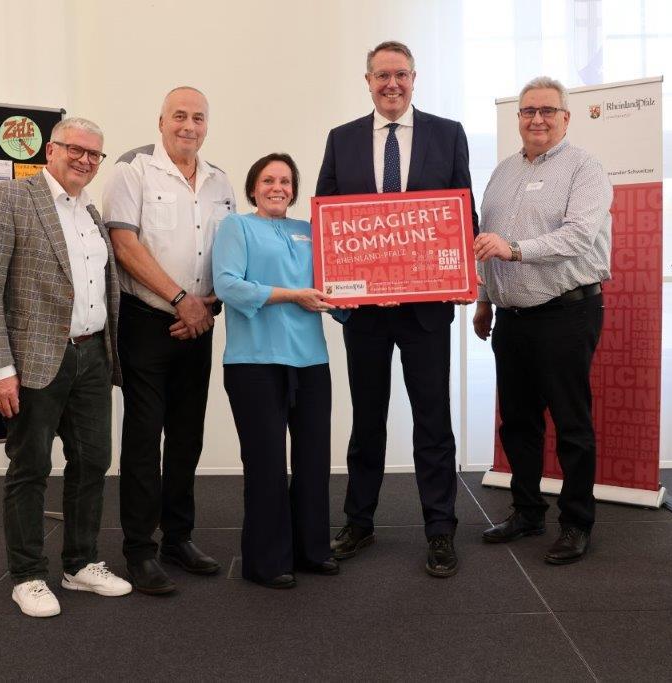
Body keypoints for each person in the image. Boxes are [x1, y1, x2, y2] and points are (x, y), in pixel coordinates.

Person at [316, 40, 479, 577]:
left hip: (427, 310)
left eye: (401, 75)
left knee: (433, 420)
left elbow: (463, 213)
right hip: (365, 311)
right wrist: (338, 290)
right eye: (382, 75)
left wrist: (462, 277)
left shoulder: (447, 133)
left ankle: (439, 529)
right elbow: (328, 220)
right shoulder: (341, 140)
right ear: (367, 80)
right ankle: (359, 522)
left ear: (415, 79)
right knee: (367, 418)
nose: (392, 84)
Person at [0, 116, 131, 618]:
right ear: (51, 150)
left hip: (91, 357)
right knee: (31, 467)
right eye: (75, 149)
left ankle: (80, 563)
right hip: (34, 360)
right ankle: (28, 575)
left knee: (92, 463)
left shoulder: (91, 213)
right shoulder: (9, 199)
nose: (85, 159)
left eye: (94, 154)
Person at [102, 87, 236, 594]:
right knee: (143, 438)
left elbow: (229, 256)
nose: (189, 125)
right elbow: (124, 244)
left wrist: (207, 307)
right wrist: (182, 298)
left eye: (198, 117)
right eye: (179, 116)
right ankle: (139, 550)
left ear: (207, 125)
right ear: (160, 121)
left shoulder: (221, 181)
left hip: (199, 324)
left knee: (187, 436)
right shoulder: (132, 169)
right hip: (148, 322)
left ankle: (178, 537)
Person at [473, 76, 612, 564]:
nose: (537, 119)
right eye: (529, 110)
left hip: (567, 311)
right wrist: (485, 299)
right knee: (518, 421)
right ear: (518, 119)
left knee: (571, 422)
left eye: (548, 111)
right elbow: (486, 241)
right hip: (511, 317)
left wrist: (514, 250)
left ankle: (576, 522)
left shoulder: (585, 169)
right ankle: (527, 511)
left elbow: (578, 237)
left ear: (566, 118)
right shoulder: (503, 172)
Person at [213, 153, 342, 589]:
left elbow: (332, 291)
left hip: (310, 362)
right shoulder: (236, 227)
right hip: (255, 363)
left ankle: (312, 551)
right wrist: (293, 296)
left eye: (286, 181)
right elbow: (227, 285)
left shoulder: (310, 231)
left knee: (313, 461)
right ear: (253, 187)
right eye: (268, 180)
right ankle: (267, 561)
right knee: (266, 464)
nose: (277, 187)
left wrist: (372, 296)